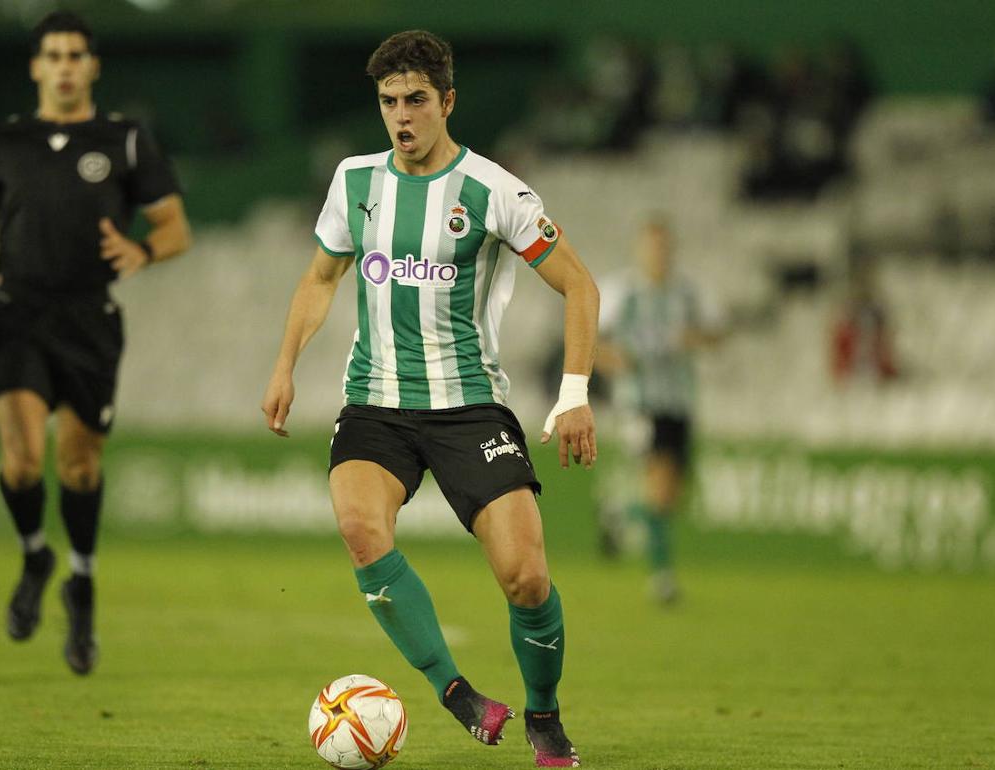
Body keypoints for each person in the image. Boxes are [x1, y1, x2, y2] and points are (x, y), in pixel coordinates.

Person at [262, 30, 597, 768]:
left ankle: (544, 714)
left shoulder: (494, 190)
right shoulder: (355, 182)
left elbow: (579, 284)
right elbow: (321, 278)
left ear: (447, 101)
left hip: (469, 406)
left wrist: (573, 394)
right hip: (375, 404)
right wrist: (286, 364)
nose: (401, 116)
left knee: (526, 578)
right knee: (359, 527)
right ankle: (455, 692)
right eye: (388, 102)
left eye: (415, 100)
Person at [0, 11, 190, 675]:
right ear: (36, 66)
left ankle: (81, 582)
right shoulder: (1, 142)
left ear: (92, 66)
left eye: (75, 55)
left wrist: (142, 249)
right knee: (22, 461)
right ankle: (36, 554)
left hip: (89, 319)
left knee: (80, 468)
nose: (64, 66)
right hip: (16, 316)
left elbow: (176, 228)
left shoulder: (123, 141)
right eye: (53, 55)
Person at [595, 216, 723, 604]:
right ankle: (662, 578)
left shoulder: (689, 293)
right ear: (640, 250)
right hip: (639, 402)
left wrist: (694, 337)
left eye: (664, 247)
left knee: (670, 497)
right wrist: (614, 359)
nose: (658, 254)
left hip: (679, 400)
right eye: (652, 247)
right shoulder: (621, 293)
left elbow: (716, 333)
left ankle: (621, 514)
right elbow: (589, 343)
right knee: (660, 479)